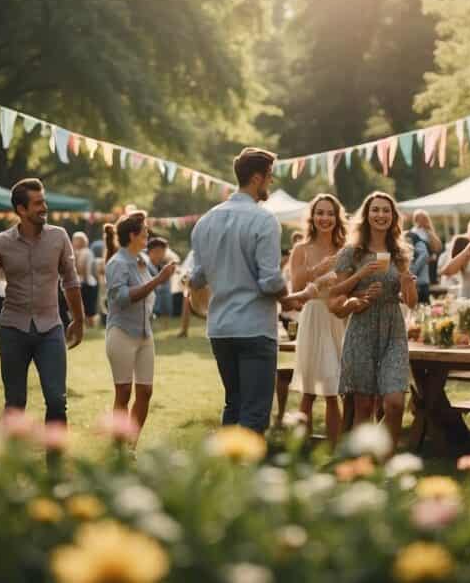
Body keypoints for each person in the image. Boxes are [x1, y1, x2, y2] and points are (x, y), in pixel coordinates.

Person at [189, 147, 310, 435]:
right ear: (256, 178)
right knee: (255, 412)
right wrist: (290, 298)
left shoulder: (205, 222)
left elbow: (196, 278)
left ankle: (229, 475)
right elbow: (269, 280)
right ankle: (248, 476)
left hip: (220, 328)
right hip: (254, 327)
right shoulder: (264, 220)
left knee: (234, 404)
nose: (271, 183)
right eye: (269, 177)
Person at [0, 178, 85, 425]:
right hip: (13, 329)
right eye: (37, 203)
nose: (44, 207)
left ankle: (55, 461)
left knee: (57, 400)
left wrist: (78, 319)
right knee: (15, 402)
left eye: (44, 201)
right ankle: (9, 461)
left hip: (50, 328)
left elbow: (71, 281)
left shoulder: (59, 237)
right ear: (21, 210)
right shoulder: (1, 242)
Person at [331, 192, 418, 450]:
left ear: (393, 218)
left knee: (394, 402)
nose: (381, 215)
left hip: (393, 330)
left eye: (386, 211)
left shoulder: (400, 253)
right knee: (364, 405)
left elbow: (411, 302)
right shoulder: (351, 253)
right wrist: (360, 278)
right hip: (361, 329)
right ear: (367, 215)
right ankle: (362, 466)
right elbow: (337, 295)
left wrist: (407, 284)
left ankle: (388, 462)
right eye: (376, 210)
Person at [103, 212, 177, 438]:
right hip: (122, 333)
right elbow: (121, 298)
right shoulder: (117, 263)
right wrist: (158, 280)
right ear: (133, 235)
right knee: (123, 393)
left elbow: (151, 287)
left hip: (145, 335)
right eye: (144, 230)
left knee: (145, 392)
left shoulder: (142, 260)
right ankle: (118, 450)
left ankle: (131, 445)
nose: (148, 233)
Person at [288, 194, 348, 445]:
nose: (325, 218)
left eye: (330, 213)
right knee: (310, 390)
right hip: (313, 317)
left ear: (337, 217)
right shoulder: (301, 249)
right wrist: (320, 268)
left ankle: (335, 449)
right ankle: (301, 449)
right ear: (312, 217)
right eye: (320, 213)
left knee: (335, 389)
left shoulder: (345, 248)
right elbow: (296, 288)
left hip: (339, 316)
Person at [145, 237, 175, 326]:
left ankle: (164, 322)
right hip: (147, 300)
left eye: (163, 251)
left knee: (166, 286)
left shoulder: (162, 265)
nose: (160, 254)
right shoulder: (144, 265)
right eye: (157, 251)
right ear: (150, 251)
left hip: (158, 299)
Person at [72, 232, 99, 328]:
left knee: (87, 308)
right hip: (86, 283)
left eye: (75, 240)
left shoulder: (85, 252)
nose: (73, 242)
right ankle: (88, 327)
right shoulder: (85, 252)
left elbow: (82, 268)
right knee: (88, 309)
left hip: (85, 283)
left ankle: (88, 327)